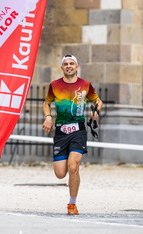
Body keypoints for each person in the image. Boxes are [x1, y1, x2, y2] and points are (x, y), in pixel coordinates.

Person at [42, 54, 103, 215]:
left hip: (78, 130)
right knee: (60, 174)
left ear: (77, 66)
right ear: (62, 68)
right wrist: (48, 117)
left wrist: (96, 112)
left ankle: (72, 204)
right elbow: (47, 103)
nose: (69, 66)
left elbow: (98, 101)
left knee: (73, 166)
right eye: (66, 64)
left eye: (71, 63)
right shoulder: (54, 85)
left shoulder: (85, 85)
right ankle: (70, 176)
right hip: (61, 131)